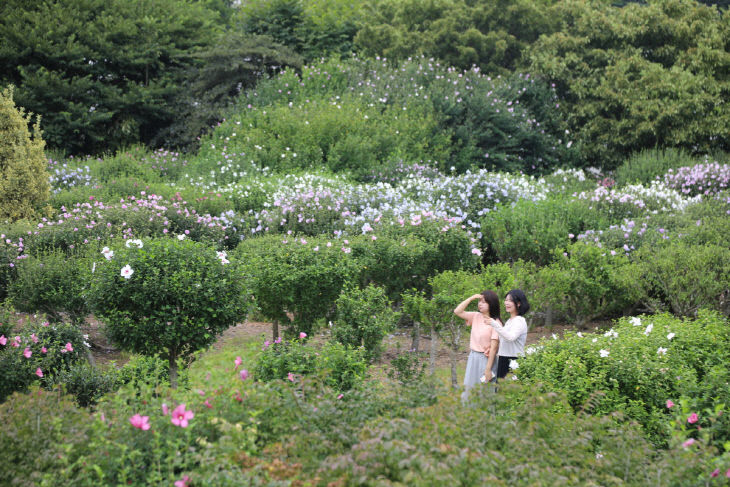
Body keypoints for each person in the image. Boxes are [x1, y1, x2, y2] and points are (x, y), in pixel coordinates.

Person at [453, 291, 501, 400]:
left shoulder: (495, 322)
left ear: (491, 304)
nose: (480, 304)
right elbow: (457, 311)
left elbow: (493, 348)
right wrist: (471, 298)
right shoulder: (475, 316)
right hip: (473, 357)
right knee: (469, 389)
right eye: (479, 301)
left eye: (484, 302)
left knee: (484, 391)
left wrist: (488, 369)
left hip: (486, 359)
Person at [485, 289, 530, 381]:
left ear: (518, 303)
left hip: (515, 361)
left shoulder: (520, 321)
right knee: (502, 392)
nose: (506, 303)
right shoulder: (510, 321)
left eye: (510, 300)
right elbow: (505, 340)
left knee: (510, 392)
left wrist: (495, 324)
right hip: (503, 359)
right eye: (506, 300)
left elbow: (510, 337)